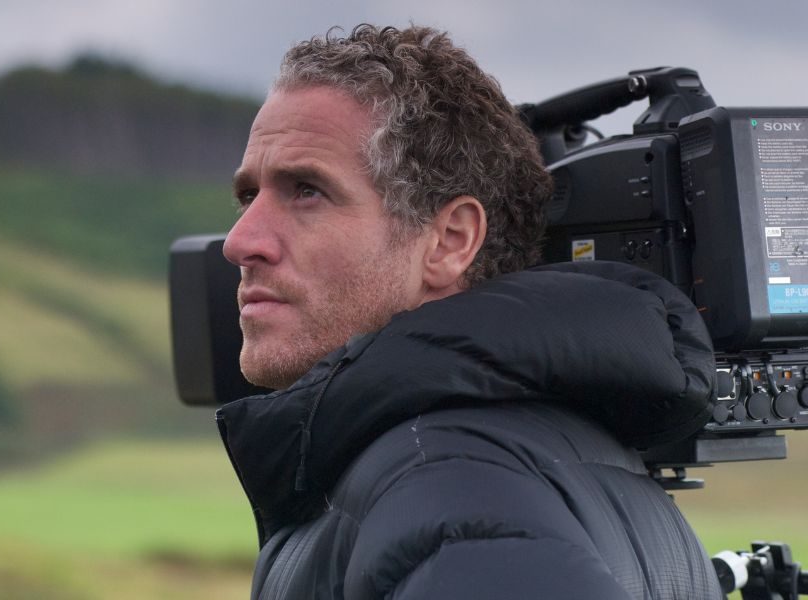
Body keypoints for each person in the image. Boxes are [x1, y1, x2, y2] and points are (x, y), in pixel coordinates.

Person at [217, 24, 721, 599]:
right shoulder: (537, 455)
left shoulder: (447, 487)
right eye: (248, 196)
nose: (240, 241)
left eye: (307, 190)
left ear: (451, 240)